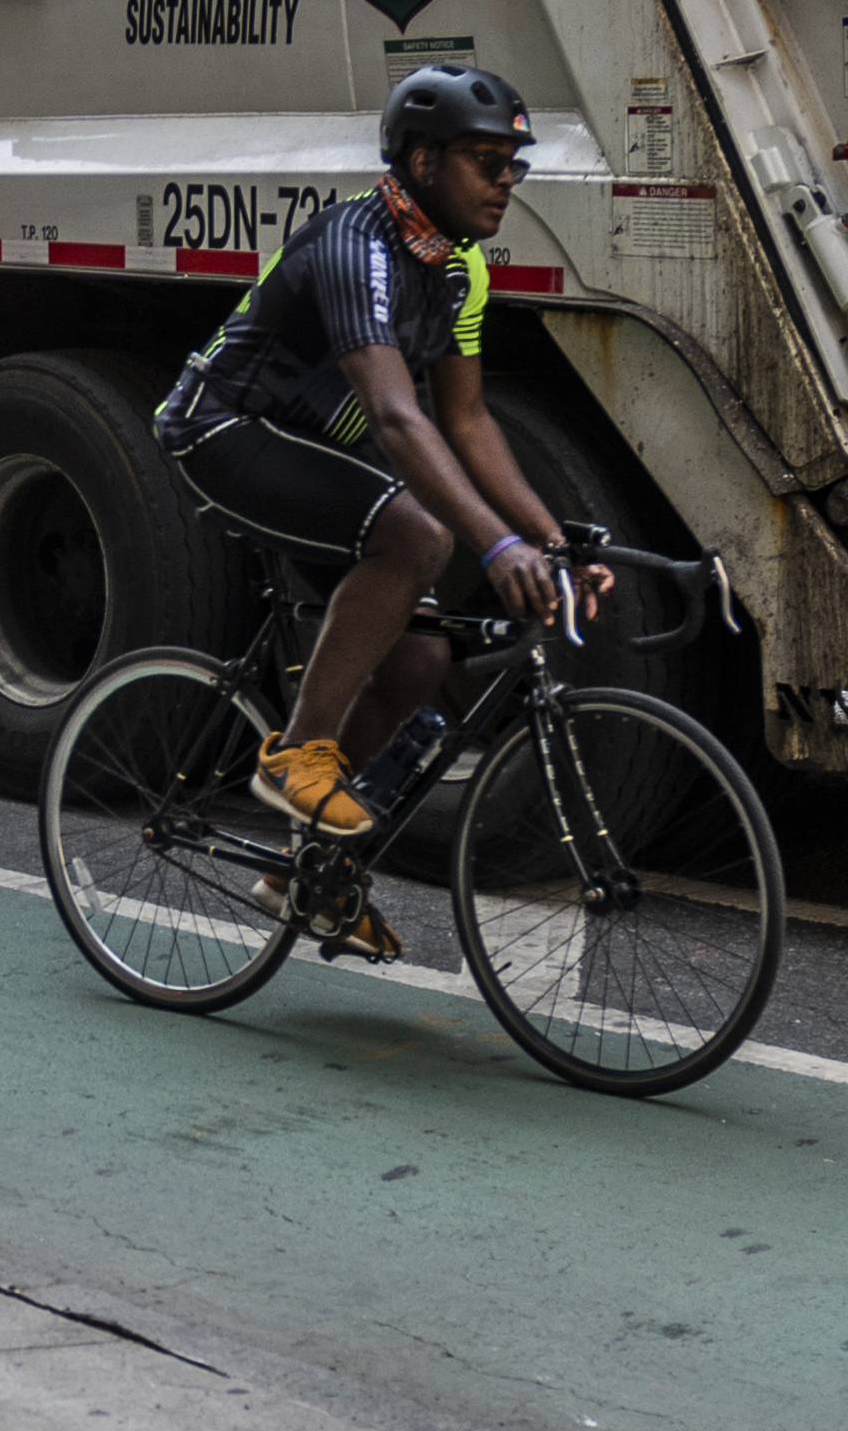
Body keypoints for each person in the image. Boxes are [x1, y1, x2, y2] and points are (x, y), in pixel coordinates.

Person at [154, 65, 603, 891]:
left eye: (515, 162)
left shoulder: (461, 268)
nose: (506, 180)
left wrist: (549, 538)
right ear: (422, 161)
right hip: (221, 429)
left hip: (311, 451)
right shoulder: (355, 245)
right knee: (415, 534)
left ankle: (306, 869)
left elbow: (466, 420)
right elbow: (398, 419)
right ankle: (296, 757)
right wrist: (493, 543)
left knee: (421, 658)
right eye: (484, 159)